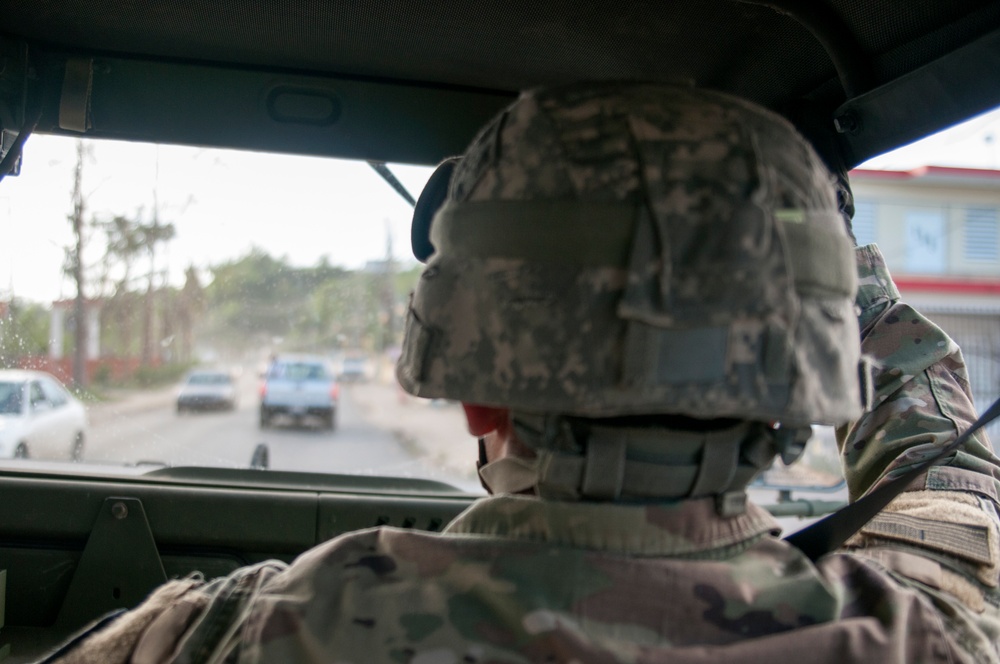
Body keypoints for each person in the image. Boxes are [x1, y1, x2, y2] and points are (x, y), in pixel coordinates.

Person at [45, 83, 1000, 663]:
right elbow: (946, 476)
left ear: (473, 384)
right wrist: (842, 271)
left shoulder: (243, 637)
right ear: (807, 370)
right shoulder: (932, 635)